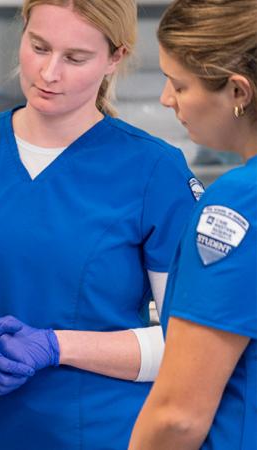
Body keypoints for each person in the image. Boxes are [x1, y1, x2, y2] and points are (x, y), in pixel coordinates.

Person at [0, 0, 200, 448]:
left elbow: (187, 348)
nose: (49, 73)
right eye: (39, 47)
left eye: (75, 58)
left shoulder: (153, 170)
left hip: (96, 433)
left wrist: (57, 346)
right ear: (22, 30)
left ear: (115, 58)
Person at [129, 1, 257, 449]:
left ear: (239, 93)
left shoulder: (238, 205)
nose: (167, 99)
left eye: (179, 85)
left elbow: (178, 417)